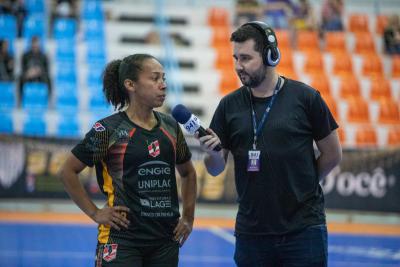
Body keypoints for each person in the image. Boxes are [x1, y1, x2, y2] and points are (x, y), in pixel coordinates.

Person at [196, 21, 342, 266]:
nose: (238, 66)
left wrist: (303, 185)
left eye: (245, 58)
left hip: (304, 229)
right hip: (252, 231)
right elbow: (215, 168)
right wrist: (211, 154)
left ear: (270, 56)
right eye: (235, 58)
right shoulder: (228, 106)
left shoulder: (306, 98)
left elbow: (333, 154)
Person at [58, 54, 197, 266]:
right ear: (130, 84)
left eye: (164, 78)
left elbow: (188, 173)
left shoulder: (171, 127)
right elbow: (68, 171)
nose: (163, 85)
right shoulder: (107, 130)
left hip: (165, 241)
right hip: (122, 239)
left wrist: (188, 217)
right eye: (155, 78)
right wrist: (95, 213)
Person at [19, 36, 51, 101]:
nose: (35, 45)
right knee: (20, 78)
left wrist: (38, 71)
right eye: (34, 43)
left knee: (49, 79)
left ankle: (47, 100)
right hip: (28, 75)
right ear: (31, 44)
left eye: (37, 43)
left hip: (41, 75)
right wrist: (28, 72)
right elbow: (23, 68)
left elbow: (46, 69)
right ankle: (21, 100)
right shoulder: (25, 55)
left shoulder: (44, 56)